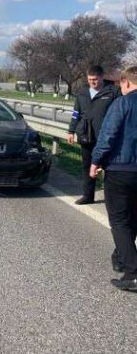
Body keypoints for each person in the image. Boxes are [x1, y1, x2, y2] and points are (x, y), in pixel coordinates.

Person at [90, 66, 137, 292]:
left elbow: (108, 136)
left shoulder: (122, 104)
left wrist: (95, 161)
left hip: (120, 170)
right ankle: (121, 257)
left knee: (119, 221)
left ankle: (133, 271)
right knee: (133, 218)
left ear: (126, 82)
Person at [67, 65, 121, 205]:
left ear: (102, 77)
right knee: (87, 167)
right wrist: (71, 131)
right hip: (86, 136)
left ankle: (111, 197)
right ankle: (88, 195)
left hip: (106, 138)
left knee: (108, 168)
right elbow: (75, 114)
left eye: (95, 80)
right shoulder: (82, 93)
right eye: (90, 80)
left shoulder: (113, 92)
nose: (92, 82)